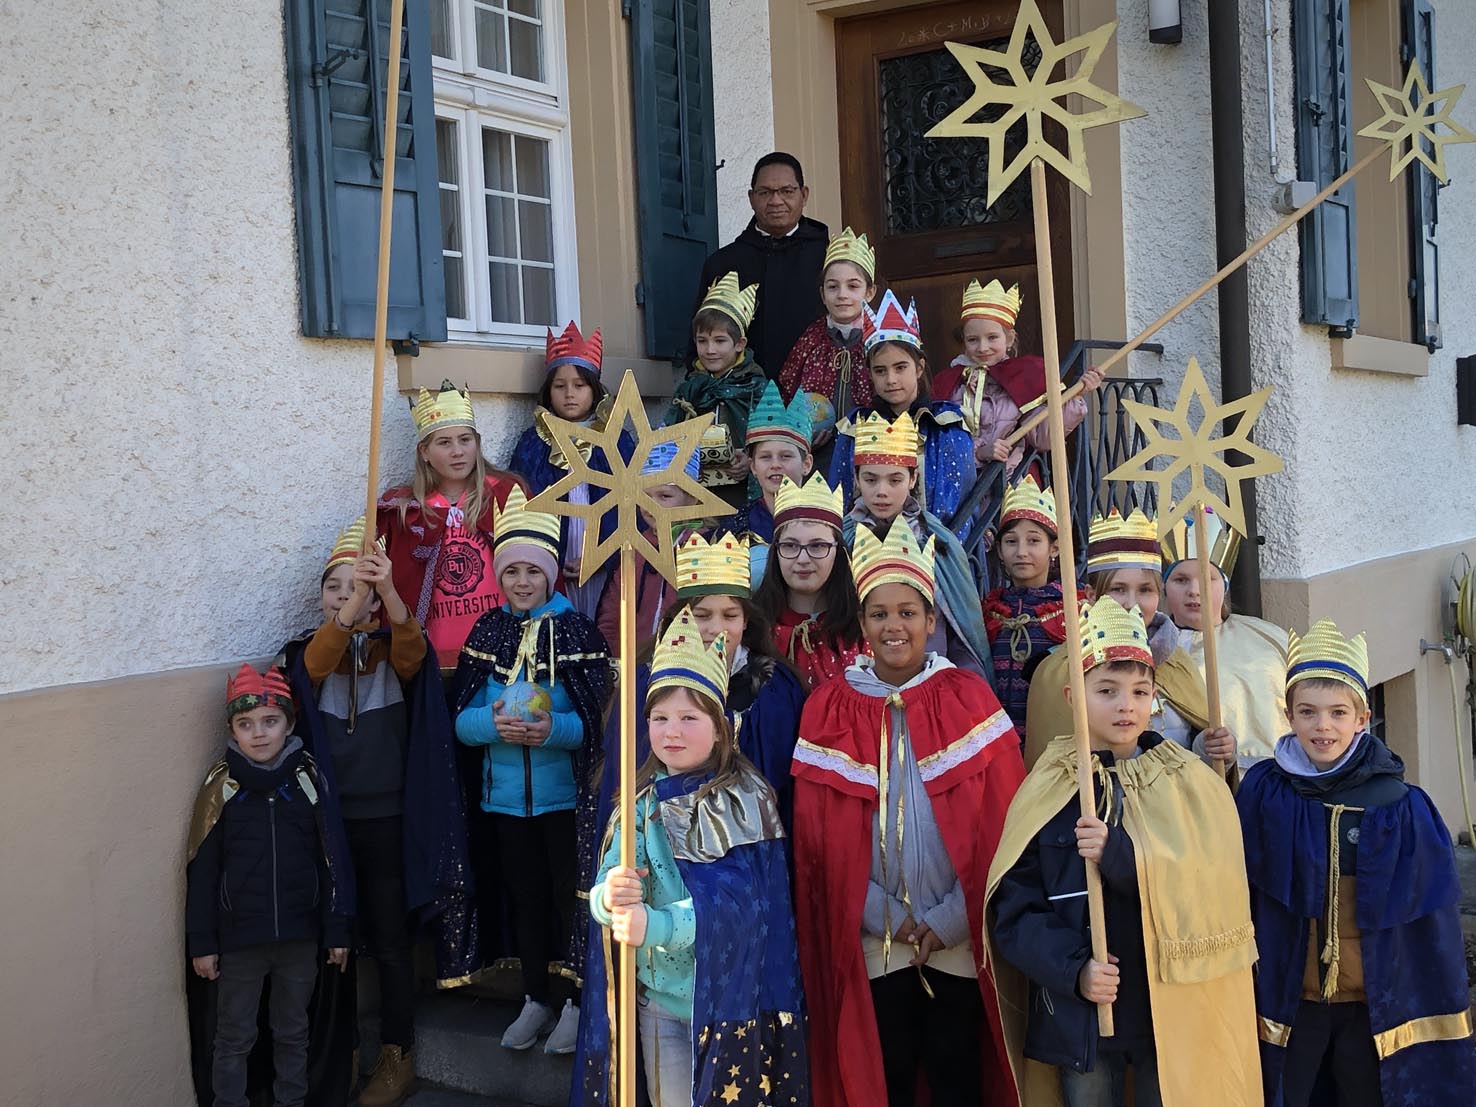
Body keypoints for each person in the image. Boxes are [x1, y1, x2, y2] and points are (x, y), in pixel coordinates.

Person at [987, 598, 1262, 1107]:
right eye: (1106, 691)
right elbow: (1014, 913)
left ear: (1155, 698)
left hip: (1169, 1013)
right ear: (1074, 697)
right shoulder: (1050, 788)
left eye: (1138, 692)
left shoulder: (1185, 780)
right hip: (1084, 1020)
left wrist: (1118, 855)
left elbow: (1206, 886)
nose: (1124, 706)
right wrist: (1074, 970)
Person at [792, 524, 1026, 1107]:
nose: (893, 627)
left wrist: (949, 919)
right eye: (878, 614)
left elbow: (1001, 822)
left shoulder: (968, 696)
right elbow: (820, 838)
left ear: (930, 620)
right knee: (886, 1070)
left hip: (957, 932)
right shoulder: (830, 708)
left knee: (956, 1072)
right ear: (862, 624)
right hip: (874, 934)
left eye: (907, 613)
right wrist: (885, 916)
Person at [574, 608, 810, 1107]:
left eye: (688, 718)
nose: (671, 732)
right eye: (659, 718)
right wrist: (608, 899)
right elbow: (607, 884)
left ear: (721, 727)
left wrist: (654, 927)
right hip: (658, 1003)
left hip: (730, 1005)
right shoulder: (637, 802)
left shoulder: (747, 798)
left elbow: (742, 906)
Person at [1237, 620, 1476, 1107]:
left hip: (1370, 1002)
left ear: (1362, 718)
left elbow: (1429, 924)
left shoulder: (1401, 805)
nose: (1322, 726)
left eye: (1337, 713)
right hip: (1293, 997)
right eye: (1308, 712)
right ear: (1288, 715)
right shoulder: (1266, 790)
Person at [278, 517, 473, 1106]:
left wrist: (387, 593)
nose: (347, 595)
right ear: (320, 596)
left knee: (388, 939)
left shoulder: (394, 650)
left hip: (387, 818)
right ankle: (342, 1049)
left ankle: (397, 1051)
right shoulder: (304, 653)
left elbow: (417, 658)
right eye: (335, 586)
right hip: (328, 823)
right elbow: (312, 669)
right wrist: (351, 608)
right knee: (332, 938)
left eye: (355, 585)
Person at [450, 487, 613, 1055]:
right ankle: (535, 996)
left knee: (570, 895)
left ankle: (573, 1001)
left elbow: (597, 724)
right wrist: (492, 726)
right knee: (525, 897)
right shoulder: (486, 632)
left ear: (551, 575)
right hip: (503, 802)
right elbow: (461, 722)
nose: (522, 581)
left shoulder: (577, 633)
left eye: (532, 571)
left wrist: (552, 733)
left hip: (565, 800)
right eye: (512, 570)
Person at [186, 664, 352, 1107]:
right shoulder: (222, 786)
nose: (258, 734)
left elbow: (334, 857)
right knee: (235, 1034)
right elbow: (202, 870)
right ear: (231, 730)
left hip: (300, 937)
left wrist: (337, 928)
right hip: (240, 942)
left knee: (293, 1031)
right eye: (246, 724)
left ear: (290, 724)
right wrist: (202, 942)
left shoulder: (309, 782)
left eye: (270, 721)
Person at [1024, 507, 1236, 773]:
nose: (1132, 604)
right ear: (1091, 596)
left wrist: (1211, 750)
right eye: (1118, 589)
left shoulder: (1178, 663)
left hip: (1170, 805)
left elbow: (1200, 765)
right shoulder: (1057, 671)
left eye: (1145, 590)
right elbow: (1049, 777)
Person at [375, 379, 525, 669]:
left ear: (477, 443)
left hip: (504, 654)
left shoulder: (507, 494)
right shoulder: (404, 511)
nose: (457, 451)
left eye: (465, 440)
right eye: (444, 442)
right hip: (432, 660)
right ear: (424, 452)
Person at [840, 410, 994, 678]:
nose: (882, 491)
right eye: (871, 479)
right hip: (857, 677)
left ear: (912, 479)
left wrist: (963, 684)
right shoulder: (839, 537)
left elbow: (962, 630)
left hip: (930, 678)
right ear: (856, 479)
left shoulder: (938, 539)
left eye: (895, 479)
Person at [508, 321, 635, 619]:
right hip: (553, 561)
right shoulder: (533, 442)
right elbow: (521, 502)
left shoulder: (617, 439)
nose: (569, 394)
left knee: (603, 621)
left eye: (579, 386)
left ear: (594, 389)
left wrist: (603, 555)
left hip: (605, 561)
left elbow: (633, 506)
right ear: (547, 390)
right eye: (559, 386)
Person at [829, 290, 976, 527]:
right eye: (880, 370)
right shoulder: (855, 428)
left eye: (900, 368)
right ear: (870, 374)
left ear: (919, 368)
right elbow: (840, 497)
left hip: (930, 551)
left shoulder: (945, 426)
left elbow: (957, 506)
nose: (891, 379)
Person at [1161, 508, 1289, 766]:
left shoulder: (1270, 638)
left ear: (1224, 584)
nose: (1194, 591)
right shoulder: (1159, 650)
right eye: (1181, 580)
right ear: (1164, 586)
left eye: (1207, 579)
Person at [934, 279, 1100, 475]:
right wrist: (979, 452)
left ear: (1010, 339)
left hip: (1011, 482)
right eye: (973, 340)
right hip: (961, 483)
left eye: (992, 337)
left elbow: (1044, 437)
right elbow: (940, 441)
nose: (982, 347)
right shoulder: (952, 383)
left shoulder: (1023, 378)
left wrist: (1076, 396)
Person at [693, 151, 830, 381]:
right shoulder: (722, 264)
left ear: (804, 195)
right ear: (751, 197)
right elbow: (701, 338)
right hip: (742, 399)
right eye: (765, 192)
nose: (776, 201)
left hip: (817, 399)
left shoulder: (831, 260)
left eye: (787, 191)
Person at [753, 474, 868, 690]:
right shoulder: (753, 629)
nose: (803, 559)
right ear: (775, 551)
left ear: (839, 552)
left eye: (817, 546)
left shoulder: (862, 630)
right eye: (790, 545)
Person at [778, 226, 877, 472]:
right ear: (822, 294)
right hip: (818, 457)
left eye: (853, 286)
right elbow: (787, 391)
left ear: (870, 291)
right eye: (833, 287)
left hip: (870, 453)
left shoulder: (881, 340)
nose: (842, 295)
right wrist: (800, 432)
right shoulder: (810, 340)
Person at [983, 476, 1076, 734]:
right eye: (1011, 542)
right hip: (1000, 737)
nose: (1021, 551)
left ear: (1054, 548)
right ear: (1000, 550)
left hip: (1052, 739)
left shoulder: (1072, 609)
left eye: (1034, 541)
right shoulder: (990, 611)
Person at [667, 272, 769, 507]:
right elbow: (669, 437)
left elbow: (771, 439)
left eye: (720, 341)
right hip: (695, 493)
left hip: (739, 494)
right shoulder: (689, 391)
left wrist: (750, 460)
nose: (710, 349)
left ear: (739, 344)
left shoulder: (756, 388)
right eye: (702, 341)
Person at [596, 443, 705, 658]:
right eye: (645, 495)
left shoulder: (704, 548)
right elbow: (610, 615)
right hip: (631, 669)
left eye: (664, 496)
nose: (652, 505)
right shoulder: (631, 549)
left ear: (692, 498)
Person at [733, 377, 814, 545]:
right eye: (765, 457)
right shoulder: (737, 528)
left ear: (806, 464)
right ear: (753, 466)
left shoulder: (825, 521)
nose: (775, 464)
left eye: (786, 456)